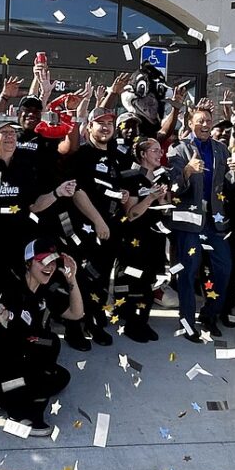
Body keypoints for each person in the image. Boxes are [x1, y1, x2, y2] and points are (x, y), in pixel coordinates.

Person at [0, 115, 76, 345]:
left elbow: (34, 205)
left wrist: (58, 193)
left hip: (17, 246)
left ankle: (16, 336)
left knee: (13, 297)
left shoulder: (24, 167)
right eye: (5, 132)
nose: (11, 137)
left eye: (13, 133)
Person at [0, 240, 82, 432]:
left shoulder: (45, 292)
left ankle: (4, 397)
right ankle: (18, 413)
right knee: (38, 377)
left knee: (57, 368)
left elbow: (76, 313)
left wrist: (72, 280)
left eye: (53, 262)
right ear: (28, 263)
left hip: (17, 365)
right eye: (42, 261)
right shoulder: (8, 286)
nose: (49, 267)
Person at [167, 106, 235, 341]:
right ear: (190, 124)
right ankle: (188, 322)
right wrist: (187, 172)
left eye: (209, 120)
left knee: (224, 268)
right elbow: (173, 189)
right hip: (189, 222)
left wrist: (234, 173)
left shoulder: (221, 149)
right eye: (200, 121)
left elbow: (227, 186)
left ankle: (210, 314)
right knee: (188, 273)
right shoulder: (177, 150)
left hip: (214, 223)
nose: (206, 124)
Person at [68, 107, 133, 348]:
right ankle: (76, 327)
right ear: (89, 127)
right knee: (81, 279)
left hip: (110, 228)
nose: (105, 127)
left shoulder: (115, 154)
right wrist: (98, 221)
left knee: (102, 279)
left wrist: (123, 194)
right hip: (87, 229)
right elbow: (78, 192)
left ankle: (94, 318)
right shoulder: (83, 154)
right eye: (100, 123)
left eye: (109, 123)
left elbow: (111, 186)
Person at [116, 138, 171, 342]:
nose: (159, 154)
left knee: (149, 282)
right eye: (155, 151)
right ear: (142, 154)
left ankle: (143, 321)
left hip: (155, 238)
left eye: (160, 150)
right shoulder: (130, 177)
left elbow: (165, 208)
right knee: (134, 282)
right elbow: (131, 214)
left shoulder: (162, 177)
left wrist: (162, 198)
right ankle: (132, 323)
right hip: (134, 240)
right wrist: (149, 198)